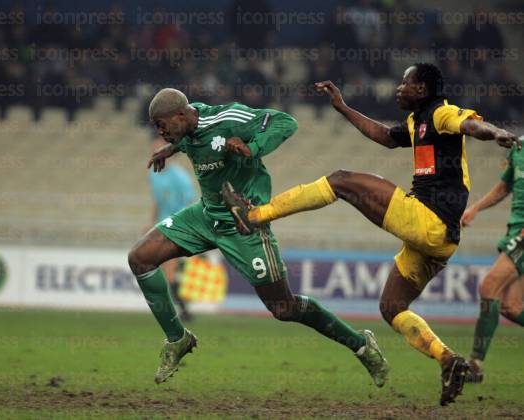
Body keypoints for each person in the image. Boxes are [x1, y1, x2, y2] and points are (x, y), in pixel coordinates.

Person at [221, 63, 522, 406]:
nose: (398, 88)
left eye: (405, 83)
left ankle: (255, 215)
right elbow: (384, 136)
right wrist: (343, 107)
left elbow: (468, 124)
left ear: (422, 89)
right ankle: (449, 360)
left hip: (429, 220)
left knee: (341, 180)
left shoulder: (440, 112)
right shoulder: (416, 121)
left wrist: (495, 131)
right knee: (392, 306)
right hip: (440, 239)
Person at [128, 88, 389, 386]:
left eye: (163, 126)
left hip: (245, 221)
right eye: (157, 129)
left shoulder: (230, 118)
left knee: (284, 308)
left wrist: (253, 148)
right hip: (206, 215)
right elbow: (192, 136)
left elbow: (286, 123)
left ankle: (361, 344)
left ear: (179, 115)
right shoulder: (188, 120)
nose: (161, 133)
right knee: (140, 258)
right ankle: (177, 339)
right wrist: (170, 149)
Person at [460, 141, 524, 383]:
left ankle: (475, 366)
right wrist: (475, 208)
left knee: (489, 287)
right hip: (515, 230)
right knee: (512, 307)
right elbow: (504, 186)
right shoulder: (518, 149)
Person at [149, 137, 197, 321]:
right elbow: (157, 200)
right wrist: (151, 222)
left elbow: (191, 203)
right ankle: (184, 311)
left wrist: (189, 229)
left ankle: (180, 312)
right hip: (161, 227)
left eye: (159, 149)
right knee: (163, 271)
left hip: (178, 227)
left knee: (168, 271)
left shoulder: (180, 177)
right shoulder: (154, 174)